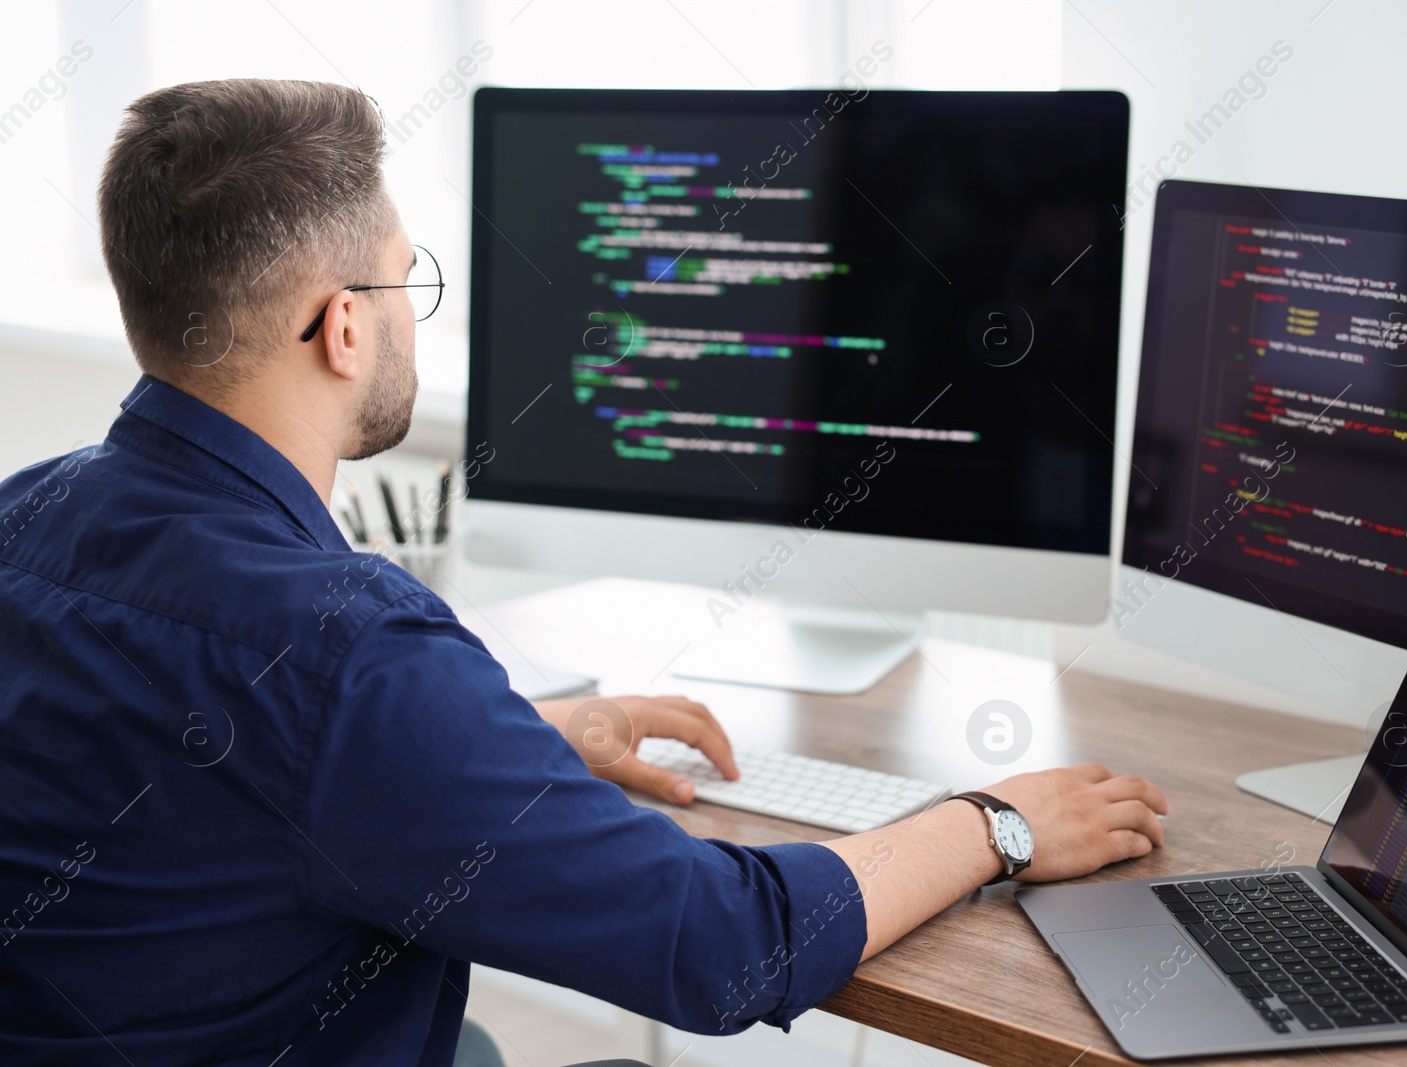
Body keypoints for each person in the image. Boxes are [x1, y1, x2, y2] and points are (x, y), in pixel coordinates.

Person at [0, 79, 1170, 1067]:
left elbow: (215, 786)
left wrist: (525, 739)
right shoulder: (347, 651)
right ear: (342, 328)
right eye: (405, 281)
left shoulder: (26, 513)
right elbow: (723, 945)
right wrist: (996, 821)